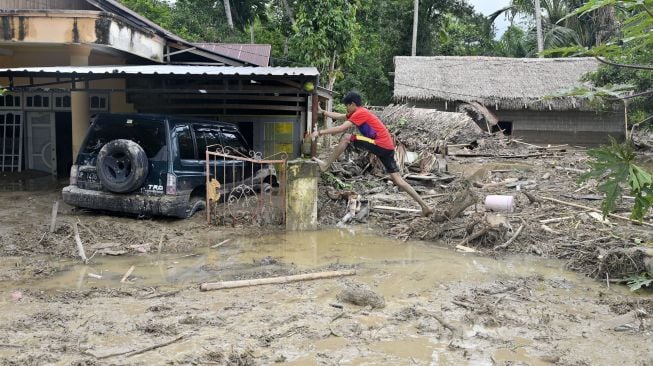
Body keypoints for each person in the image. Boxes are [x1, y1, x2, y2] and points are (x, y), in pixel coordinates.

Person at [311, 91, 433, 217]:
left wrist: (319, 133)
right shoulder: (358, 112)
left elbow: (341, 128)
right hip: (388, 147)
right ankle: (425, 206)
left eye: (347, 106)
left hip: (380, 144)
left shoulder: (360, 113)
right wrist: (323, 112)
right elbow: (341, 116)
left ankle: (326, 164)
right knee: (398, 180)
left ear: (352, 104)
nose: (347, 109)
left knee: (347, 137)